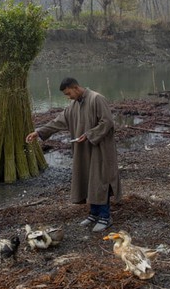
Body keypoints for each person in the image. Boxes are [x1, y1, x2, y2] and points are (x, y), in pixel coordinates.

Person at [26, 77, 121, 232]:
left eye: (68, 93)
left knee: (99, 181)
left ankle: (105, 217)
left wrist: (89, 134)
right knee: (88, 180)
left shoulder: (97, 99)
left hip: (100, 149)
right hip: (84, 150)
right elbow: (58, 121)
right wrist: (38, 132)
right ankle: (93, 214)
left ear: (75, 87)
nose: (68, 97)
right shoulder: (73, 105)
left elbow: (107, 122)